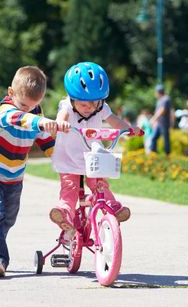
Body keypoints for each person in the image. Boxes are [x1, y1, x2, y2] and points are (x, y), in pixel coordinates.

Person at [0, 66, 60, 278]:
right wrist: (39, 121)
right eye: (23, 105)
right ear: (11, 93)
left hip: (15, 176)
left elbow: (45, 140)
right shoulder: (4, 111)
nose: (28, 110)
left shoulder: (35, 112)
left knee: (9, 218)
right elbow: (20, 119)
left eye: (34, 106)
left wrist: (60, 159)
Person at [49, 62, 142, 232]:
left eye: (95, 103)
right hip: (69, 155)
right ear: (73, 99)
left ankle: (111, 206)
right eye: (84, 104)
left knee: (100, 183)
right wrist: (60, 123)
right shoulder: (67, 105)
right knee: (70, 186)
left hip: (92, 154)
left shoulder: (101, 108)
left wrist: (128, 129)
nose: (90, 108)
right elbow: (62, 116)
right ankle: (64, 212)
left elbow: (114, 120)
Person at [149, 84, 174, 155]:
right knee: (153, 138)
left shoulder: (166, 99)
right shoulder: (159, 100)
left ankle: (167, 155)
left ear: (158, 92)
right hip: (159, 124)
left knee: (166, 140)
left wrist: (153, 119)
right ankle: (153, 154)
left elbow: (161, 111)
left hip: (164, 124)